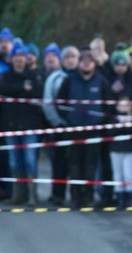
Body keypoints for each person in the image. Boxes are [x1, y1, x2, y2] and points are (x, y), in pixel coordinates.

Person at [56, 47, 112, 208]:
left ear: (94, 64)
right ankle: (75, 196)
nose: (86, 64)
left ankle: (88, 196)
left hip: (93, 130)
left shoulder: (101, 81)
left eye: (90, 61)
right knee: (74, 164)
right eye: (83, 61)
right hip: (73, 130)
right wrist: (68, 119)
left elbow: (109, 105)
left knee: (90, 165)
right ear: (79, 63)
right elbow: (59, 103)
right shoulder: (69, 80)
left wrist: (100, 121)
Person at [0, 42, 45, 205]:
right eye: (16, 56)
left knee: (30, 161)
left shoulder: (34, 76)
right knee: (14, 162)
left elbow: (37, 93)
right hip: (10, 126)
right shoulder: (6, 76)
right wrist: (21, 88)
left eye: (21, 56)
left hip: (30, 126)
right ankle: (17, 195)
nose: (19, 60)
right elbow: (3, 89)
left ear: (26, 59)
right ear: (12, 59)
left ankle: (32, 195)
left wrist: (15, 91)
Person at [43, 45, 79, 205]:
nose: (70, 61)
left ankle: (76, 194)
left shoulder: (81, 77)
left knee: (76, 163)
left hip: (78, 128)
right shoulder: (55, 78)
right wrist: (57, 122)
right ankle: (58, 194)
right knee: (59, 162)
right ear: (62, 60)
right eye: (67, 57)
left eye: (73, 57)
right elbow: (47, 103)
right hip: (60, 127)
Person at [108, 95, 132, 208]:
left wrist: (129, 124)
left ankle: (131, 198)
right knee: (117, 175)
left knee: (128, 175)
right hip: (116, 150)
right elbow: (109, 133)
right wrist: (120, 125)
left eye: (126, 105)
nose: (124, 108)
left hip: (130, 150)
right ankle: (120, 199)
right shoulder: (113, 118)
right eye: (121, 105)